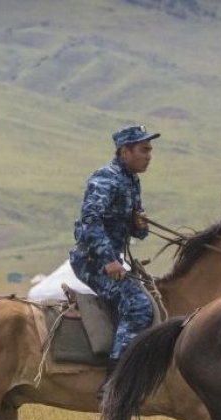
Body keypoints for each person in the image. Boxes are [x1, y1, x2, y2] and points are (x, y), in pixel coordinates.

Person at [69, 124, 158, 398]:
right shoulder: (105, 179)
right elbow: (90, 221)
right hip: (92, 261)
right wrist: (109, 260)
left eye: (150, 150)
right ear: (125, 151)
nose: (149, 155)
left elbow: (136, 231)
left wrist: (139, 224)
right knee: (138, 307)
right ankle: (114, 382)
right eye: (144, 150)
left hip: (112, 258)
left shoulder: (131, 181)